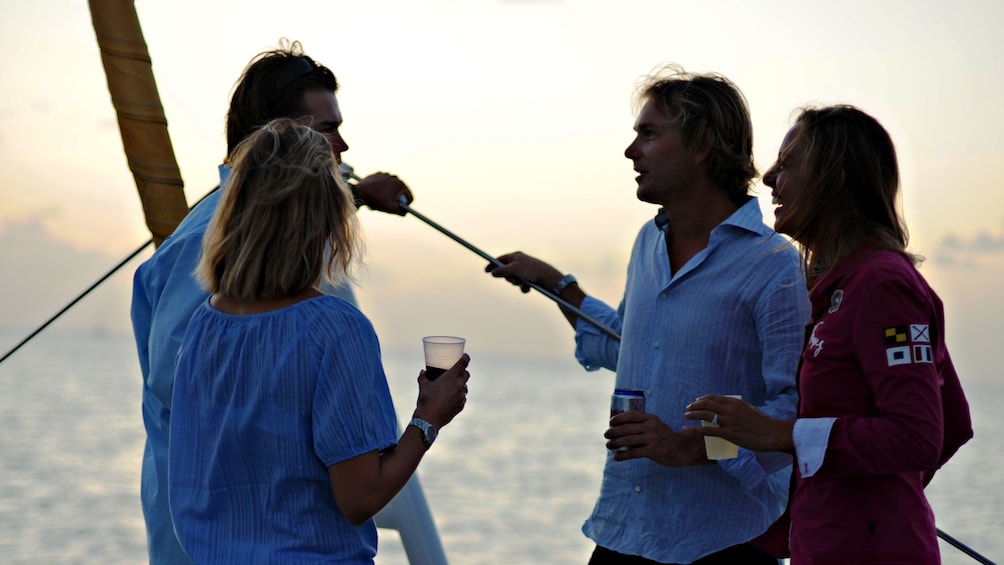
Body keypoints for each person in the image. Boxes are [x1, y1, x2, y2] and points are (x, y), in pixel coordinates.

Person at [487, 65, 810, 564]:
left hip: (723, 543)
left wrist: (687, 449)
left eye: (650, 134)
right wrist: (556, 284)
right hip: (624, 531)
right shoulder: (648, 242)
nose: (631, 150)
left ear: (702, 144)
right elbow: (627, 345)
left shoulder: (774, 265)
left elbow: (790, 416)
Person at [130, 40, 414, 564]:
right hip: (221, 534)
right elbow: (177, 376)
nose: (344, 145)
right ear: (280, 136)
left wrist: (349, 197)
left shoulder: (234, 232)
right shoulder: (207, 236)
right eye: (327, 130)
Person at [165, 118, 470, 563]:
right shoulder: (333, 329)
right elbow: (360, 498)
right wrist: (428, 419)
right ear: (325, 218)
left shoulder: (206, 322)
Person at [683, 105, 973, 563]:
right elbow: (952, 421)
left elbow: (921, 436)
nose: (770, 177)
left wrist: (786, 436)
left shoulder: (883, 286)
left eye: (788, 163)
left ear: (833, 178)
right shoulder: (831, 287)